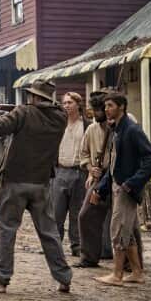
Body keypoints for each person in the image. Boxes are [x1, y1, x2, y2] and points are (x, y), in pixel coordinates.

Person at [0, 79, 72, 294]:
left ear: (35, 97)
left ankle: (1, 280)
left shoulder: (24, 112)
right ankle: (64, 279)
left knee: (7, 230)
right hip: (42, 182)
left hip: (15, 181)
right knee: (49, 233)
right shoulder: (61, 117)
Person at [92, 92, 151, 287]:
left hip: (126, 188)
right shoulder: (118, 130)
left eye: (110, 105)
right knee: (126, 230)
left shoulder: (132, 130)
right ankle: (136, 271)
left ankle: (117, 273)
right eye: (105, 106)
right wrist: (102, 188)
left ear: (121, 106)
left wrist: (133, 182)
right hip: (118, 184)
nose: (106, 109)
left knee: (119, 229)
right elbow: (113, 165)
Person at [74, 92, 112, 268]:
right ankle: (89, 256)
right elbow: (83, 154)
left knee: (125, 221)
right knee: (85, 215)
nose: (95, 113)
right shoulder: (91, 129)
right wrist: (91, 168)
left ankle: (130, 262)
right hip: (99, 176)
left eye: (99, 109)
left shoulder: (120, 127)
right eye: (95, 109)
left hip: (118, 177)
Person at [50, 92, 87, 256]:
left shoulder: (86, 125)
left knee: (76, 211)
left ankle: (77, 245)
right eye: (64, 103)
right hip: (60, 170)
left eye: (70, 102)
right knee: (56, 211)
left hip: (79, 171)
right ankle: (54, 245)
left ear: (78, 104)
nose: (66, 106)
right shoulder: (58, 124)